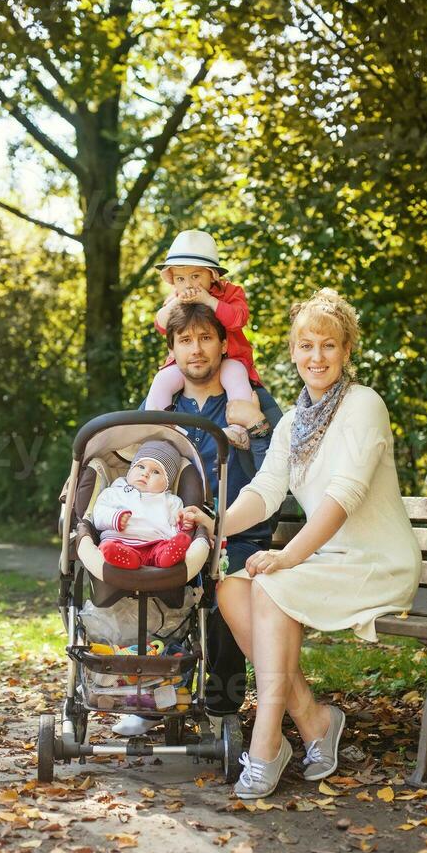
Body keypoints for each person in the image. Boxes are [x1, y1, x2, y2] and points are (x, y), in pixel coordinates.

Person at [184, 288, 422, 799]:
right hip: (327, 559)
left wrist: (289, 556)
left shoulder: (363, 406)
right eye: (306, 345)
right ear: (292, 352)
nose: (317, 357)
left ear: (346, 351)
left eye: (329, 346)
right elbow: (265, 493)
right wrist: (213, 521)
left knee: (270, 584)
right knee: (231, 588)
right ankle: (313, 720)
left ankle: (267, 742)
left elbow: (344, 497)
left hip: (377, 561)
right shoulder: (292, 422)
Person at [112, 302, 283, 737]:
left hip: (238, 530)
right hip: (172, 527)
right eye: (185, 340)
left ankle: (222, 705)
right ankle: (156, 694)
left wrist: (257, 428)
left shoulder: (250, 399)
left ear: (224, 344)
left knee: (227, 594)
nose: (196, 349)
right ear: (172, 350)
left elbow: (283, 466)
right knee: (155, 592)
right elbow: (131, 460)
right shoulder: (164, 405)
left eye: (206, 338)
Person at [145, 229, 272, 449]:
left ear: (212, 275)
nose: (189, 285)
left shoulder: (229, 293)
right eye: (181, 279)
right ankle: (158, 430)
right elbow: (161, 323)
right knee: (163, 380)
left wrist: (209, 300)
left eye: (196, 276)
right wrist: (177, 303)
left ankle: (239, 431)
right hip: (187, 365)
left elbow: (238, 319)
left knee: (235, 375)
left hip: (228, 357)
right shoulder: (176, 298)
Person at [92, 440, 192, 570]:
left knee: (166, 547)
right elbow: (98, 514)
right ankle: (129, 558)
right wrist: (114, 518)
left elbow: (176, 525)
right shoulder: (113, 492)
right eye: (140, 467)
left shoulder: (171, 501)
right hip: (119, 541)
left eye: (156, 472)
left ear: (167, 482)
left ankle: (165, 557)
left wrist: (184, 526)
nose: (145, 473)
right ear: (131, 469)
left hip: (154, 544)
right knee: (109, 547)